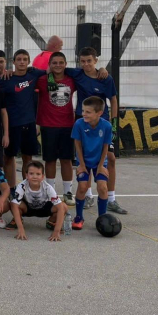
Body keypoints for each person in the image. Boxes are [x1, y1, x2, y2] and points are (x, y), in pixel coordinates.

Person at [66, 47, 123, 214]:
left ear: (96, 60)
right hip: (83, 122)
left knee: (111, 158)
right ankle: (88, 195)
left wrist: (114, 124)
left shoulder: (105, 77)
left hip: (102, 123)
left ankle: (111, 199)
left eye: (89, 61)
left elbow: (113, 100)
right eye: (82, 61)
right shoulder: (77, 74)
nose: (86, 64)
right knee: (85, 157)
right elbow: (55, 68)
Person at [0, 49, 46, 187]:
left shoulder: (33, 74)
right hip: (12, 125)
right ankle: (10, 188)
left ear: (29, 61)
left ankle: (27, 188)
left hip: (29, 123)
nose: (22, 62)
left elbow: (50, 71)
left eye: (25, 59)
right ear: (13, 62)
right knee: (8, 157)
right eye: (19, 59)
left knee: (28, 158)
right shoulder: (6, 79)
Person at [36, 52, 76, 204]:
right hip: (48, 125)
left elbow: (88, 74)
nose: (58, 65)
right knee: (50, 160)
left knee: (66, 160)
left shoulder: (72, 79)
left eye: (61, 62)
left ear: (66, 64)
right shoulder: (42, 80)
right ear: (49, 65)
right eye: (54, 63)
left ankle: (68, 192)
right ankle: (51, 192)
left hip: (67, 125)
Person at [71, 96, 112, 230]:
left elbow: (105, 146)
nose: (84, 114)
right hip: (84, 160)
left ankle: (102, 218)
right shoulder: (79, 124)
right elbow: (77, 145)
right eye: (83, 111)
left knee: (102, 187)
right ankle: (79, 217)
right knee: (82, 187)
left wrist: (101, 166)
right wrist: (81, 165)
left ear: (99, 113)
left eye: (88, 112)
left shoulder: (106, 126)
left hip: (99, 161)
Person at [10, 160, 67, 241]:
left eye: (38, 174)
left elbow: (60, 208)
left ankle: (51, 222)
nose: (34, 176)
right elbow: (15, 206)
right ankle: (18, 221)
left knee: (63, 206)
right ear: (26, 175)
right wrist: (21, 229)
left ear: (43, 176)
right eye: (31, 173)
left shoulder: (48, 187)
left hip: (44, 208)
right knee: (13, 203)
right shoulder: (22, 186)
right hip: (28, 208)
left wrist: (56, 232)